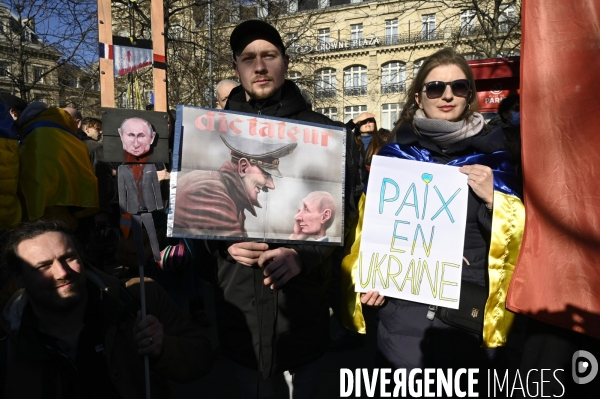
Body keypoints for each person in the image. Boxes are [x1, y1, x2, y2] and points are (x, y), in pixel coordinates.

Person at [342, 48, 524, 389]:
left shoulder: (496, 156)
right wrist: (371, 275)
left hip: (465, 316)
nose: (447, 95)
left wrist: (493, 200)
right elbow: (366, 232)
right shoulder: (395, 156)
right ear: (418, 96)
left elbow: (519, 240)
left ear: (470, 95)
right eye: (435, 87)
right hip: (403, 315)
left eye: (458, 87)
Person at [195, 19, 341, 398]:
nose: (259, 66)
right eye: (248, 58)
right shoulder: (211, 133)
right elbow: (189, 224)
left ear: (285, 62)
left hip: (301, 313)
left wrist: (303, 255)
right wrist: (220, 243)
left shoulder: (324, 132)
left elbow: (345, 217)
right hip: (239, 310)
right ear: (237, 69)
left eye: (269, 55)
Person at [0, 220, 213, 398]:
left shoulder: (140, 296)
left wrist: (162, 348)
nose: (62, 272)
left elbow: (201, 358)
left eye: (69, 258)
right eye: (43, 267)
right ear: (19, 278)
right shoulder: (8, 337)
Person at [174, 135, 296, 237]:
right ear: (243, 167)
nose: (271, 185)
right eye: (266, 175)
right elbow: (236, 244)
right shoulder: (212, 191)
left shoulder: (228, 191)